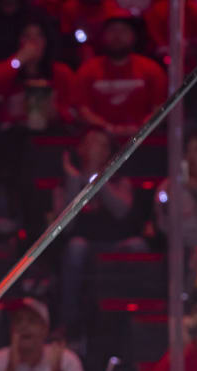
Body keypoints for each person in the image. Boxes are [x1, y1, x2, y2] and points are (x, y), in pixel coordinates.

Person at [55, 127, 146, 341]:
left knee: (138, 246)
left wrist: (99, 181)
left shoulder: (120, 180)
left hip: (115, 244)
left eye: (103, 145)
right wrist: (74, 181)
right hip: (84, 246)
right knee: (76, 247)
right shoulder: (68, 179)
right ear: (81, 148)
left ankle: (137, 319)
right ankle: (68, 324)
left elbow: (121, 211)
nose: (97, 148)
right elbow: (64, 226)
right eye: (92, 142)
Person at [75, 9, 167, 137]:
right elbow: (82, 111)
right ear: (103, 35)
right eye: (112, 30)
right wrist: (108, 128)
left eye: (123, 30)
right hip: (100, 139)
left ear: (134, 36)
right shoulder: (88, 70)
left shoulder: (151, 69)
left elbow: (160, 109)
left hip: (144, 139)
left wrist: (140, 130)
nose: (117, 36)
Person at [0, 18, 75, 131]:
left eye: (39, 36)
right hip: (13, 137)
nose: (33, 41)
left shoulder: (61, 72)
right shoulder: (9, 67)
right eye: (27, 36)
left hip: (49, 135)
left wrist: (57, 113)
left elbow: (74, 111)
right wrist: (19, 60)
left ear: (46, 41)